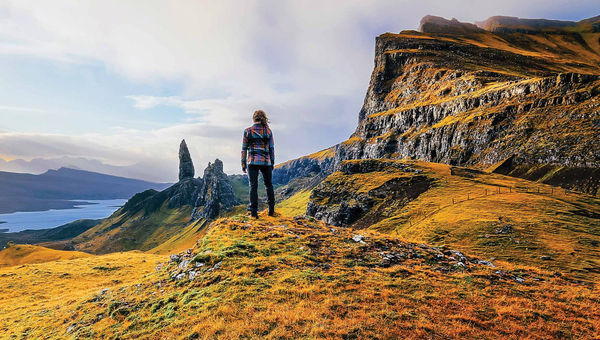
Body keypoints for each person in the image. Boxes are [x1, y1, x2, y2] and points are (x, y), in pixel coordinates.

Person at [241, 110, 275, 218]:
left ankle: (254, 213)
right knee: (269, 185)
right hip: (266, 162)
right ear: (263, 118)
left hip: (253, 161)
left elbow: (244, 149)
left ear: (253, 118)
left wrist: (243, 163)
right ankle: (271, 211)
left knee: (253, 186)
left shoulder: (247, 131)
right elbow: (271, 148)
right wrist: (272, 162)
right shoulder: (268, 131)